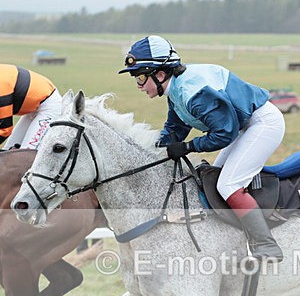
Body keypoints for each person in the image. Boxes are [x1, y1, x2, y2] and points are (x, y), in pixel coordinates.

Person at [119, 35, 285, 262]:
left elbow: (224, 134)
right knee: (214, 183)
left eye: (140, 78)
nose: (138, 85)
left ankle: (266, 246)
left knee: (228, 185)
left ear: (159, 74)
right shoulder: (176, 89)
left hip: (262, 123)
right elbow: (175, 129)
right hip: (243, 126)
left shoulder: (193, 93)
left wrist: (188, 146)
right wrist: (146, 152)